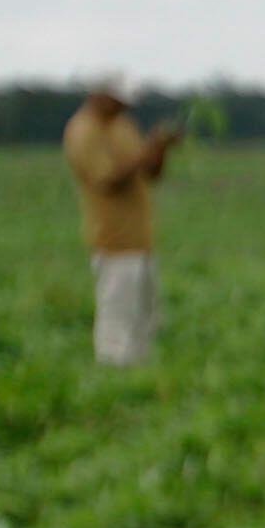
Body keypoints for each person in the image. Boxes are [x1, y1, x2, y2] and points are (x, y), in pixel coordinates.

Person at [60, 80, 180, 366]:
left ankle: (137, 379)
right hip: (113, 240)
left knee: (143, 321)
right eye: (118, 100)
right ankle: (114, 381)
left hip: (140, 239)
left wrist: (160, 148)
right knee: (117, 322)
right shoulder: (83, 131)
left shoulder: (122, 125)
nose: (124, 106)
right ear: (98, 95)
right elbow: (107, 180)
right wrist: (144, 151)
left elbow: (150, 173)